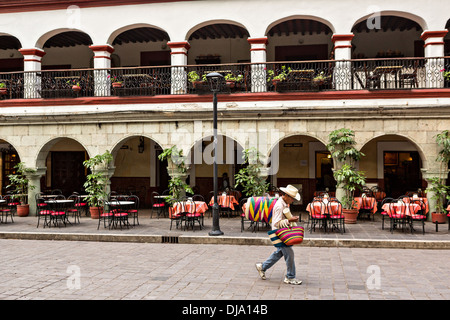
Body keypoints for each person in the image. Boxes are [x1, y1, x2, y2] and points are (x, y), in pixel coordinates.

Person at [255, 184, 302, 285]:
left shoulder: (283, 204)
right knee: (289, 253)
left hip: (281, 234)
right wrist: (290, 220)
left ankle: (262, 267)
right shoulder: (279, 206)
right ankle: (290, 277)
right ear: (287, 196)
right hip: (280, 234)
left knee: (280, 253)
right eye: (292, 198)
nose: (293, 200)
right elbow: (276, 223)